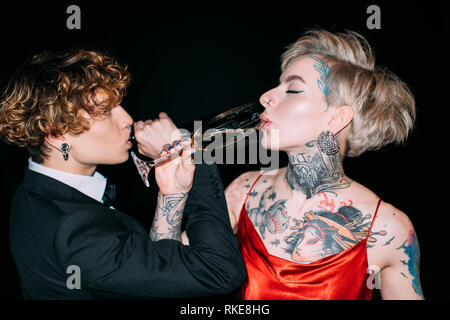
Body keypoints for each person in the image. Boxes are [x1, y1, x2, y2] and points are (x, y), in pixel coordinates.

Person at [0, 48, 246, 299]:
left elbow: (156, 270)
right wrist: (192, 151)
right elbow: (222, 272)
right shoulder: (75, 233)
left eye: (119, 106)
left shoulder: (33, 192)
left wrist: (172, 193)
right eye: (105, 111)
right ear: (56, 135)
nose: (127, 119)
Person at [222, 29, 424, 299]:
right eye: (278, 84)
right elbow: (165, 276)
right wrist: (171, 192)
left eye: (293, 89)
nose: (266, 97)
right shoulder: (244, 190)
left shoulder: (387, 227)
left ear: (337, 119)